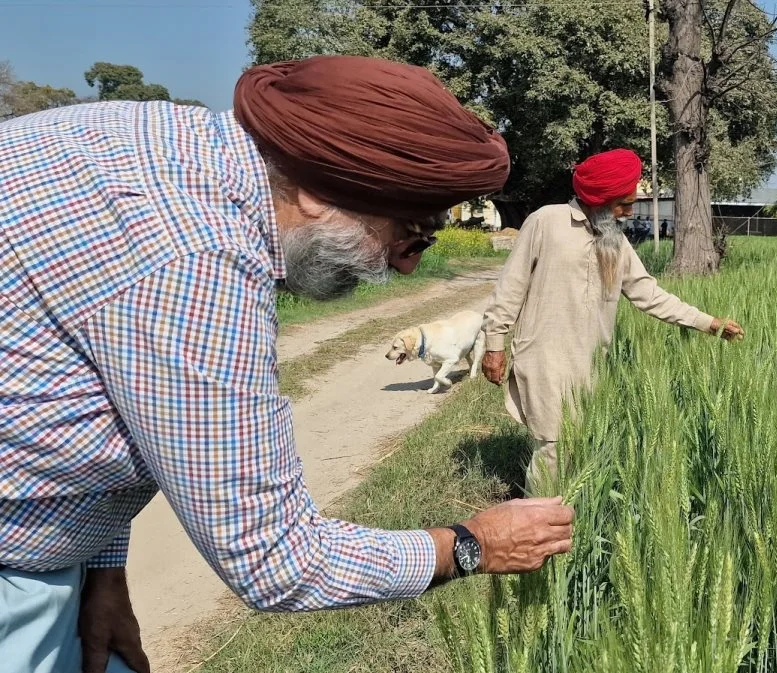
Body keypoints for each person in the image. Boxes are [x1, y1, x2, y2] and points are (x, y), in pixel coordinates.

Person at [0, 55, 573, 673]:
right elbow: (274, 559)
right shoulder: (195, 264)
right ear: (315, 188)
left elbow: (90, 396)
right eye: (410, 232)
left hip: (56, 560)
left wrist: (101, 572)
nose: (407, 266)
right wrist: (469, 547)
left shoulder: (155, 139)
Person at [480, 149, 745, 489]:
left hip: (590, 360)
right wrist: (494, 344)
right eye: (623, 203)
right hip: (544, 356)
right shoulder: (546, 222)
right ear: (599, 199)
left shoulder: (615, 241)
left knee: (576, 445)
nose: (629, 212)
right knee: (552, 448)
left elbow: (648, 294)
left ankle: (564, 520)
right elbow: (510, 288)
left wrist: (707, 322)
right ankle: (538, 527)